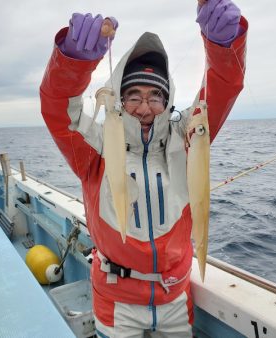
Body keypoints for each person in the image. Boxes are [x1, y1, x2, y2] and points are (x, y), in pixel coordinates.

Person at [40, 0, 247, 336]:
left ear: (167, 102)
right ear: (120, 101)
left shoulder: (189, 138)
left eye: (155, 96)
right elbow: (56, 105)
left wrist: (225, 45)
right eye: (133, 96)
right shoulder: (95, 144)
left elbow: (222, 88)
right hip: (115, 301)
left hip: (175, 297)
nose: (144, 107)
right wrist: (73, 62)